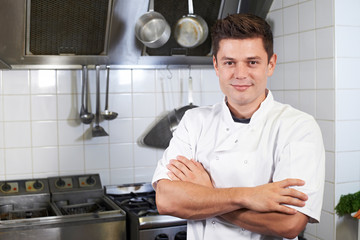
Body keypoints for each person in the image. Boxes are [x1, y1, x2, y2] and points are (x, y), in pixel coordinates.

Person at [152, 13, 325, 240]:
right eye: (229, 62)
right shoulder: (194, 121)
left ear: (270, 64)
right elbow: (166, 200)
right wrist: (248, 196)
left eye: (252, 62)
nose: (240, 74)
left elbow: (289, 223)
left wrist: (209, 194)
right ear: (216, 65)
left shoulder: (298, 127)